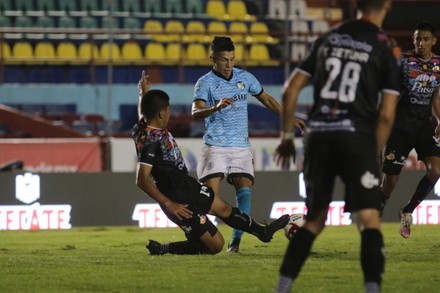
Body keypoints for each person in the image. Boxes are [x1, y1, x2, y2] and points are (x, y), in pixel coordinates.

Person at [272, 0, 400, 292]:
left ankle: (282, 288)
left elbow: (290, 89)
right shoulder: (383, 47)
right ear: (388, 6)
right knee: (368, 219)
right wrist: (375, 154)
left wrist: (287, 138)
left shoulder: (327, 38)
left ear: (356, 5)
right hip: (356, 137)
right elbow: (387, 114)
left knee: (314, 219)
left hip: (319, 136)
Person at [133, 71, 290, 255]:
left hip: (187, 186)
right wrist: (169, 204)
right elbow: (141, 179)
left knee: (224, 208)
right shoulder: (151, 142)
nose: (169, 113)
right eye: (167, 109)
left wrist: (143, 94)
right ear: (161, 113)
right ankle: (163, 248)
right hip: (178, 200)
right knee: (216, 246)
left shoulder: (143, 126)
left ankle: (262, 232)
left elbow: (144, 114)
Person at [191, 36, 305, 253]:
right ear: (212, 59)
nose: (229, 65)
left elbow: (267, 100)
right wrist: (216, 107)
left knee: (244, 190)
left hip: (241, 146)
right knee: (208, 201)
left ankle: (235, 243)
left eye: (232, 59)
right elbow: (195, 112)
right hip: (215, 146)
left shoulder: (245, 77)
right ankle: (207, 236)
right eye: (224, 60)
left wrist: (289, 118)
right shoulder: (204, 82)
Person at [381, 22, 440, 238]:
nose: (420, 43)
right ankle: (376, 214)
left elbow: (435, 97)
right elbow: (390, 94)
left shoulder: (437, 65)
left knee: (436, 171)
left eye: (425, 39)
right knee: (390, 182)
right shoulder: (404, 62)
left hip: (423, 127)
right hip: (400, 128)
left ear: (433, 41)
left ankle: (407, 211)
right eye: (417, 39)